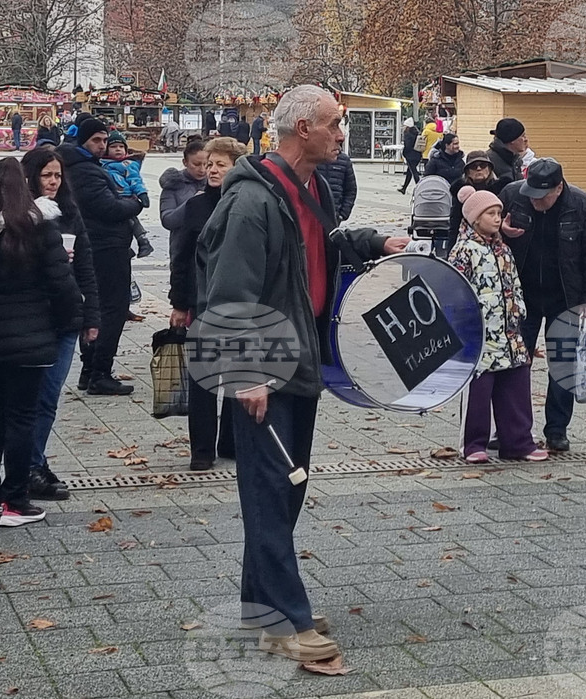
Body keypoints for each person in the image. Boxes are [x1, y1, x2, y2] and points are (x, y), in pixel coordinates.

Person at [196, 85, 409, 662]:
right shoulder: (251, 201)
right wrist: (246, 373)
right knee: (269, 491)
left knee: (284, 491)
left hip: (301, 360)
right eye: (335, 124)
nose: (343, 133)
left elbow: (324, 244)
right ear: (303, 130)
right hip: (265, 369)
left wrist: (374, 242)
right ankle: (287, 625)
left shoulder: (309, 186)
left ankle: (261, 607)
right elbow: (229, 294)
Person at [0, 158, 79, 526]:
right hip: (32, 337)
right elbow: (62, 285)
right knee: (23, 417)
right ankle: (16, 501)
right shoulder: (40, 227)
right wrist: (70, 319)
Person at [499, 158, 586, 453]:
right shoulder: (512, 195)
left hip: (565, 298)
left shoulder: (581, 205)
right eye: (530, 193)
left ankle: (557, 429)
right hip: (522, 298)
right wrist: (501, 232)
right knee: (514, 364)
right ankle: (512, 428)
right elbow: (481, 229)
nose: (534, 201)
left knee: (562, 366)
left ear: (558, 188)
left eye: (542, 195)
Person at [20, 147, 100, 500]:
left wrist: (91, 315)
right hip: (33, 316)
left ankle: (35, 462)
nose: (53, 182)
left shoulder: (70, 212)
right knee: (29, 398)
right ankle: (24, 466)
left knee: (50, 396)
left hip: (67, 315)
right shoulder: (18, 214)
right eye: (46, 175)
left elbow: (86, 267)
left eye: (57, 175)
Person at [449, 186, 549, 465]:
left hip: (510, 334)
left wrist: (519, 311)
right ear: (473, 218)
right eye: (490, 214)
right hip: (479, 335)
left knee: (516, 387)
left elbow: (514, 282)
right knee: (479, 392)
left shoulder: (503, 249)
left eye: (498, 213)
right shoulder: (463, 251)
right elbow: (453, 290)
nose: (496, 218)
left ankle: (517, 441)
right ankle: (473, 444)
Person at [170, 137, 247, 471]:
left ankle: (230, 441)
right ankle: (202, 449)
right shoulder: (197, 206)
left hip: (239, 301)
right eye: (209, 164)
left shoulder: (248, 202)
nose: (212, 170)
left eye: (220, 164)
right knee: (203, 377)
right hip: (201, 302)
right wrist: (179, 302)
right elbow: (181, 257)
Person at [58, 118, 143, 395]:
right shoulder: (84, 170)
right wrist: (134, 203)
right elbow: (108, 207)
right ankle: (99, 372)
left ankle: (89, 370)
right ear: (83, 140)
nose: (102, 145)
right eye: (96, 140)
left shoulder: (83, 165)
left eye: (105, 140)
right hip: (104, 247)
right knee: (112, 309)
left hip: (100, 244)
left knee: (99, 307)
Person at [101, 131, 153, 258]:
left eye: (121, 147)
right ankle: (127, 248)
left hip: (126, 196)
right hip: (111, 196)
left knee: (131, 219)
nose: (118, 149)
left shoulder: (128, 164)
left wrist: (142, 193)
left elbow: (135, 180)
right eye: (113, 147)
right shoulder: (102, 163)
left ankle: (143, 240)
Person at [160, 140, 207, 267]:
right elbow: (168, 220)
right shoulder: (174, 184)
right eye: (196, 164)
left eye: (206, 164)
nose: (202, 169)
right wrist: (192, 204)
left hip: (209, 252)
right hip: (182, 251)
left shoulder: (214, 183)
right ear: (185, 162)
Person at [449, 150, 501, 234]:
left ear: (489, 169)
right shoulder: (461, 193)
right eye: (473, 166)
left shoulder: (500, 189)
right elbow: (455, 222)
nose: (479, 169)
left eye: (483, 165)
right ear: (468, 172)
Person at [316, 150, 357, 222]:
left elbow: (351, 190)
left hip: (335, 215)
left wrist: (343, 214)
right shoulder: (313, 158)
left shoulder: (344, 160)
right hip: (313, 212)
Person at [488, 118, 527, 187]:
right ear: (512, 139)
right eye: (523, 136)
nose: (526, 140)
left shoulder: (516, 160)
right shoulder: (489, 161)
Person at [398, 119, 423, 194]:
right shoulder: (417, 133)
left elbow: (408, 146)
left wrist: (404, 153)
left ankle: (419, 187)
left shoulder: (408, 134)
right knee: (410, 171)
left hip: (410, 156)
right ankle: (404, 188)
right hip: (417, 155)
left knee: (414, 172)